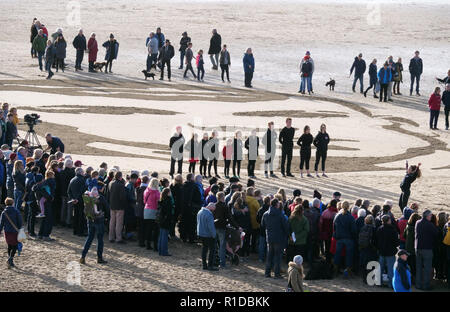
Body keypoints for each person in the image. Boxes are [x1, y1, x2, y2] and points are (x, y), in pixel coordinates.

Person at [261, 198, 289, 278]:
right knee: (278, 256)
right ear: (277, 204)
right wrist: (287, 235)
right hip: (279, 238)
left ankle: (267, 273)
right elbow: (285, 227)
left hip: (269, 237)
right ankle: (277, 274)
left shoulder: (266, 214)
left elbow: (263, 225)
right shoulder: (280, 215)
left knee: (269, 256)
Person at [80, 187, 107, 264]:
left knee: (89, 238)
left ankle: (83, 257)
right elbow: (106, 208)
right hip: (99, 220)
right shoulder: (101, 198)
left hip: (90, 219)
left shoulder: (87, 197)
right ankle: (99, 258)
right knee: (100, 240)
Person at [415, 209, 439, 290]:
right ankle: (425, 285)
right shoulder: (429, 224)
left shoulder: (417, 222)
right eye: (430, 215)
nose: (431, 216)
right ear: (427, 216)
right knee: (427, 268)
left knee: (418, 267)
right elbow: (436, 234)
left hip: (417, 247)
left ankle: (418, 285)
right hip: (427, 249)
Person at [214, 191, 238, 268]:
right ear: (222, 198)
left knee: (215, 246)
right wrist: (237, 227)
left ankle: (214, 261)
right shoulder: (224, 206)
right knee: (222, 246)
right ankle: (222, 264)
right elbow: (230, 218)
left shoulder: (214, 206)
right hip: (222, 228)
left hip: (214, 227)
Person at [333, 201, 356, 276]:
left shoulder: (337, 216)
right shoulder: (351, 217)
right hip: (348, 238)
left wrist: (336, 235)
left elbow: (334, 227)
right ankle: (348, 270)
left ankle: (335, 269)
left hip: (339, 237)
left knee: (337, 254)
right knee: (349, 255)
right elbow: (353, 229)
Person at [376, 214, 400, 287]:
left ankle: (378, 282)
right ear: (388, 221)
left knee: (380, 268)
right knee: (390, 269)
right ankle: (391, 284)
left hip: (381, 252)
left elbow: (376, 240)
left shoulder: (379, 229)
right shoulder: (392, 230)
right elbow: (396, 242)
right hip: (390, 252)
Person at [0, 198, 22, 269]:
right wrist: (19, 228)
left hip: (7, 231)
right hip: (14, 231)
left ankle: (10, 259)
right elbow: (20, 222)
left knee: (9, 245)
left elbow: (1, 223)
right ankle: (11, 259)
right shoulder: (16, 211)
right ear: (12, 203)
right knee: (15, 246)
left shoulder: (4, 212)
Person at [197, 202, 218, 271]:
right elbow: (211, 227)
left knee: (204, 250)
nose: (213, 211)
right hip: (208, 235)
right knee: (212, 250)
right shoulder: (209, 214)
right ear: (211, 208)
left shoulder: (200, 212)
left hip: (201, 233)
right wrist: (214, 235)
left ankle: (204, 265)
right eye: (213, 209)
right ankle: (210, 265)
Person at [108, 171, 127, 244]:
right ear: (120, 177)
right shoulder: (121, 185)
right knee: (119, 223)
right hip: (119, 206)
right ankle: (118, 238)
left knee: (112, 222)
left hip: (112, 205)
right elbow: (122, 197)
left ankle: (111, 237)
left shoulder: (110, 183)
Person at [143, 178, 160, 250]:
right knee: (155, 229)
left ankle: (148, 244)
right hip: (154, 210)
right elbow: (158, 202)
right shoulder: (157, 192)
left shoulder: (147, 190)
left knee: (148, 228)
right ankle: (155, 246)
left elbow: (144, 201)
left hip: (146, 210)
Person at [319, 200, 338, 264]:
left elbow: (321, 223)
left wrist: (321, 231)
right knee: (333, 248)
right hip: (334, 234)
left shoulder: (325, 212)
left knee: (327, 247)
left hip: (326, 233)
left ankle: (327, 260)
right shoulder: (337, 213)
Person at [158, 187, 174, 256]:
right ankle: (164, 251)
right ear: (168, 193)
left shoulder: (162, 200)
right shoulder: (168, 200)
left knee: (161, 235)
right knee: (164, 236)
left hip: (161, 219)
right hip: (166, 220)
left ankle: (160, 250)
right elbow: (169, 212)